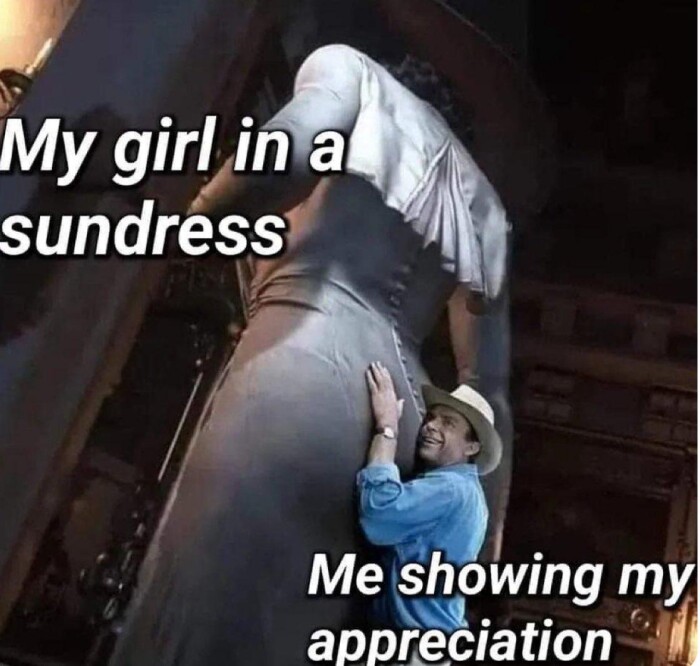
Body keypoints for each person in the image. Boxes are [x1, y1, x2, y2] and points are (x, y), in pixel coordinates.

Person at [110, 44, 508, 666]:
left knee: (204, 609)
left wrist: (178, 225)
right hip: (399, 417)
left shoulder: (353, 74)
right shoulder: (486, 208)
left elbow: (279, 163)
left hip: (303, 369)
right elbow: (487, 391)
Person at [358, 362, 501, 633]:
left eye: (448, 423)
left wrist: (387, 429)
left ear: (472, 446)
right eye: (431, 417)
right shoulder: (466, 493)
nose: (431, 426)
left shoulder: (453, 489)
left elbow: (379, 512)